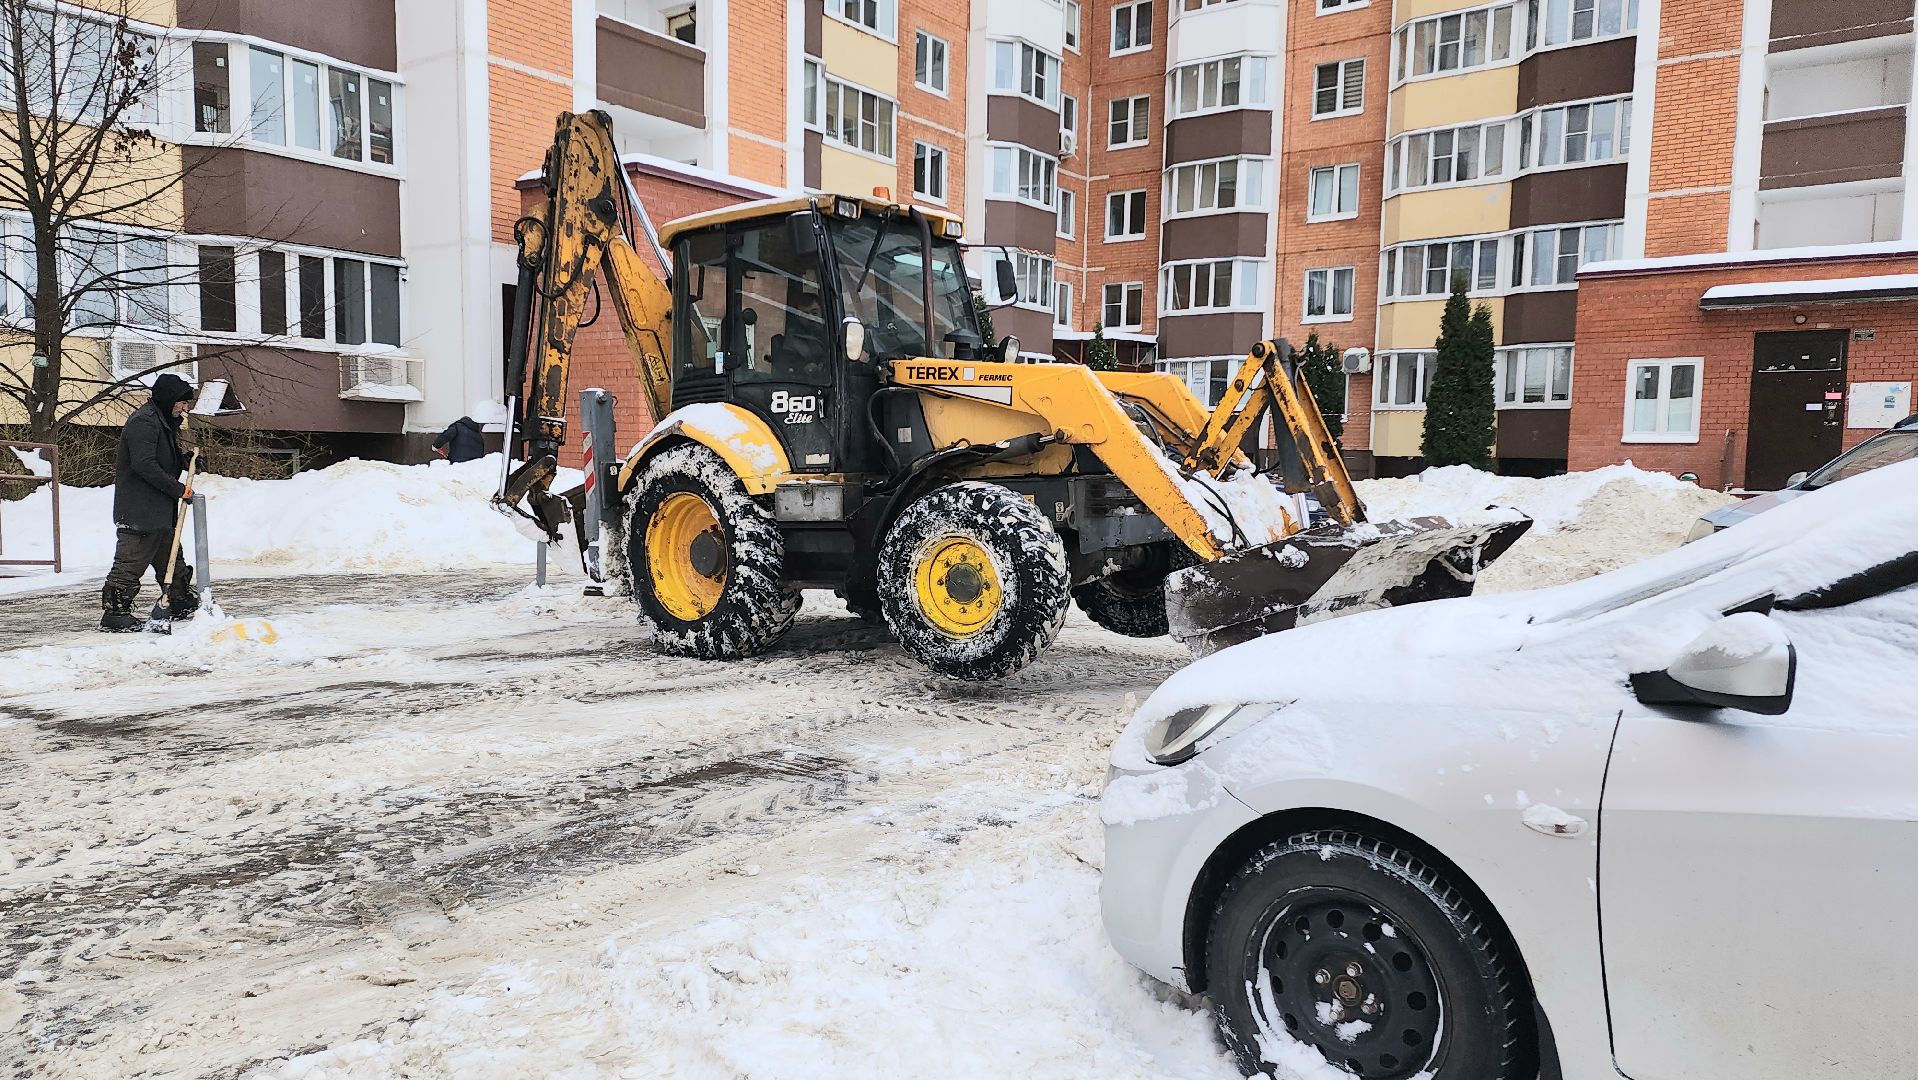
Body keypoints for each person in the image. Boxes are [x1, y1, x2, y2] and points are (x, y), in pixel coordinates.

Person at [102, 373, 197, 632]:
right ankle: (115, 613)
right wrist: (178, 489)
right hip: (140, 511)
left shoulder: (162, 422)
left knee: (171, 557)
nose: (185, 408)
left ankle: (178, 599)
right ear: (169, 399)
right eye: (182, 402)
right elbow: (144, 464)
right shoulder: (144, 422)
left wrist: (186, 462)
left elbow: (163, 461)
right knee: (131, 562)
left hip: (159, 510)